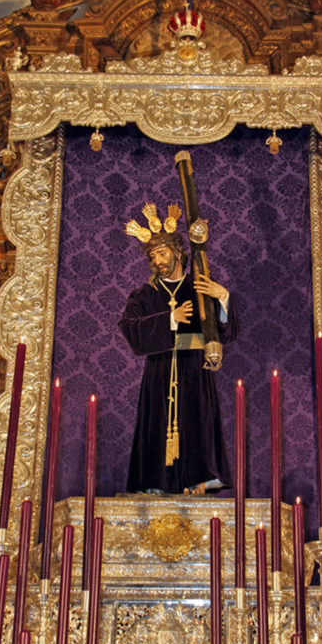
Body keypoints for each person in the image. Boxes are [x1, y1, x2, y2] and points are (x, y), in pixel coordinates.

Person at [120, 203, 238, 495]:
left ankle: (196, 479)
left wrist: (223, 298)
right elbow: (129, 328)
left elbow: (225, 334)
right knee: (157, 424)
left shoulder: (199, 286)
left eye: (162, 253)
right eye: (152, 255)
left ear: (177, 252)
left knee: (195, 420)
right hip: (159, 370)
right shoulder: (144, 294)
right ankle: (157, 484)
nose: (158, 260)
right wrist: (170, 319)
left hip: (194, 369)